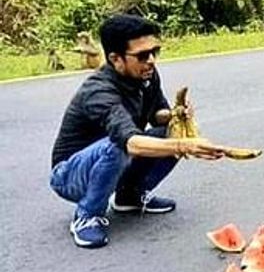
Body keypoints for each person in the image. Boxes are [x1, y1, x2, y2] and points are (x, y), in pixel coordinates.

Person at [49, 14, 226, 249]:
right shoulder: (98, 90)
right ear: (116, 59)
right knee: (118, 144)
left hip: (115, 159)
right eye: (142, 55)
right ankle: (87, 215)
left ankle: (129, 196)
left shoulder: (146, 75)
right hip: (70, 176)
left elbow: (156, 115)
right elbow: (130, 142)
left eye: (154, 52)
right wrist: (185, 146)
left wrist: (175, 114)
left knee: (172, 132)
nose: (151, 60)